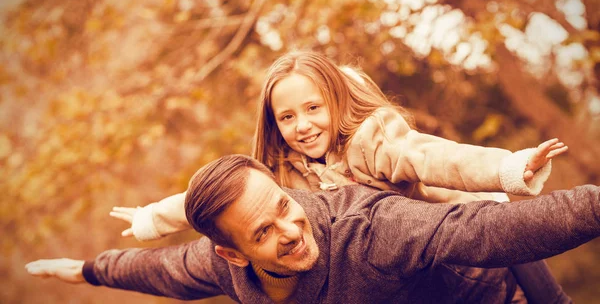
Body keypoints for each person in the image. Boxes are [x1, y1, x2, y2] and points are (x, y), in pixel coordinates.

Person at [109, 51, 569, 302]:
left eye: (313, 108)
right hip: (405, 277)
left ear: (336, 101)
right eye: (287, 117)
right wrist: (153, 218)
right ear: (274, 124)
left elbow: (434, 157)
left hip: (456, 236)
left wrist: (507, 167)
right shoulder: (282, 175)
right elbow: (209, 200)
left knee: (514, 246)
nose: (302, 126)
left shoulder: (373, 140)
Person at [27, 154, 599, 303]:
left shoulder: (370, 230)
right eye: (263, 233)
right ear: (230, 254)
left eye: (283, 205)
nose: (291, 228)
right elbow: (162, 269)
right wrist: (88, 270)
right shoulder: (222, 270)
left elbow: (491, 231)